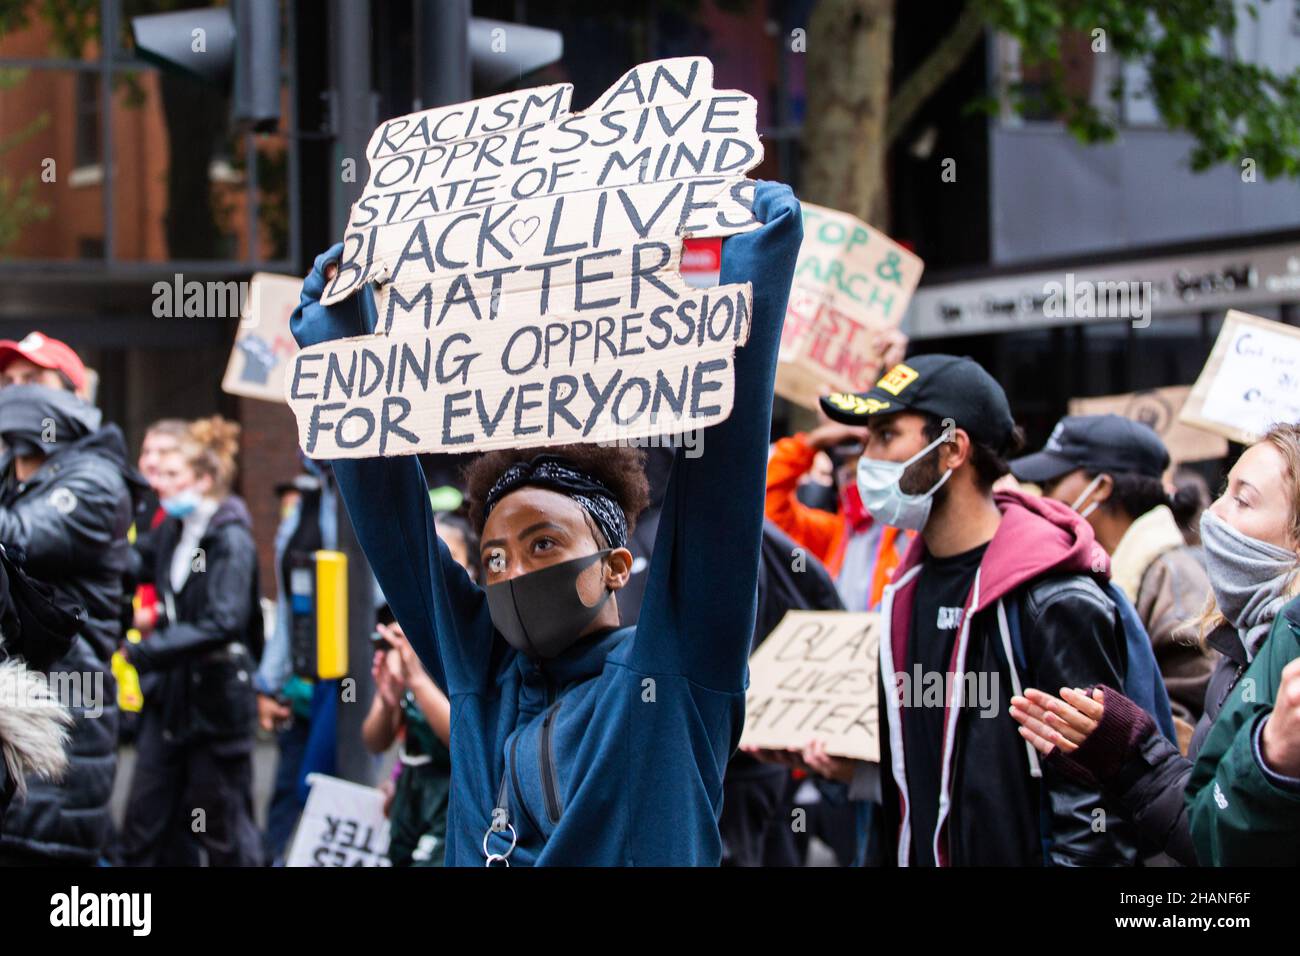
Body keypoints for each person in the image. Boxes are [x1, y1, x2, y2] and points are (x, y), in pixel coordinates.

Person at [290, 181, 802, 865]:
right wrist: (338, 332)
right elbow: (391, 514)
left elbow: (722, 478)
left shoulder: (675, 667)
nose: (515, 570)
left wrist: (750, 273)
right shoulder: (482, 671)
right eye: (494, 557)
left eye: (543, 543)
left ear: (617, 565)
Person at [812, 354, 1139, 866]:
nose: (867, 458)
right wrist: (854, 770)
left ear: (952, 450)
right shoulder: (903, 592)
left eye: (886, 435)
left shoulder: (1051, 598)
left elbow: (1094, 805)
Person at [1010, 423, 1300, 865]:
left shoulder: (1279, 648)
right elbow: (1208, 821)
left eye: (1242, 500)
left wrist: (1269, 759)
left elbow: (1234, 839)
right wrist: (1125, 755)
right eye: (1223, 491)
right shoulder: (1240, 637)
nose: (1214, 514)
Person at [0, 332, 143, 865]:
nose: (15, 393)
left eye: (32, 382)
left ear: (72, 396)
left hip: (63, 723)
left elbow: (17, 536)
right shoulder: (10, 479)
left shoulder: (96, 477)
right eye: (7, 383)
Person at [1010, 415, 1216, 732]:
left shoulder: (1171, 576)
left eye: (1051, 483)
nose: (1043, 498)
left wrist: (1112, 737)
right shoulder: (1104, 566)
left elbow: (1188, 718)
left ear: (1101, 487)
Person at [121, 416, 263, 866]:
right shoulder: (175, 531)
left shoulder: (231, 539)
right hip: (172, 701)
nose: (159, 483)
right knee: (148, 821)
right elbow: (130, 562)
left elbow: (224, 620)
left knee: (224, 830)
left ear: (203, 479)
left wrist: (144, 651)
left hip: (216, 705)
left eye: (171, 474)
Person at [765, 420, 910, 611]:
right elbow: (770, 512)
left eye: (860, 471)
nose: (853, 484)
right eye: (847, 474)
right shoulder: (836, 534)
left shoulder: (909, 530)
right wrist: (812, 442)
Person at [362, 621, 452, 866]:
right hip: (411, 791)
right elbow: (374, 742)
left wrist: (416, 679)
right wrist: (386, 700)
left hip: (451, 796)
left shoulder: (456, 651)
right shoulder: (401, 661)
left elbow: (462, 740)